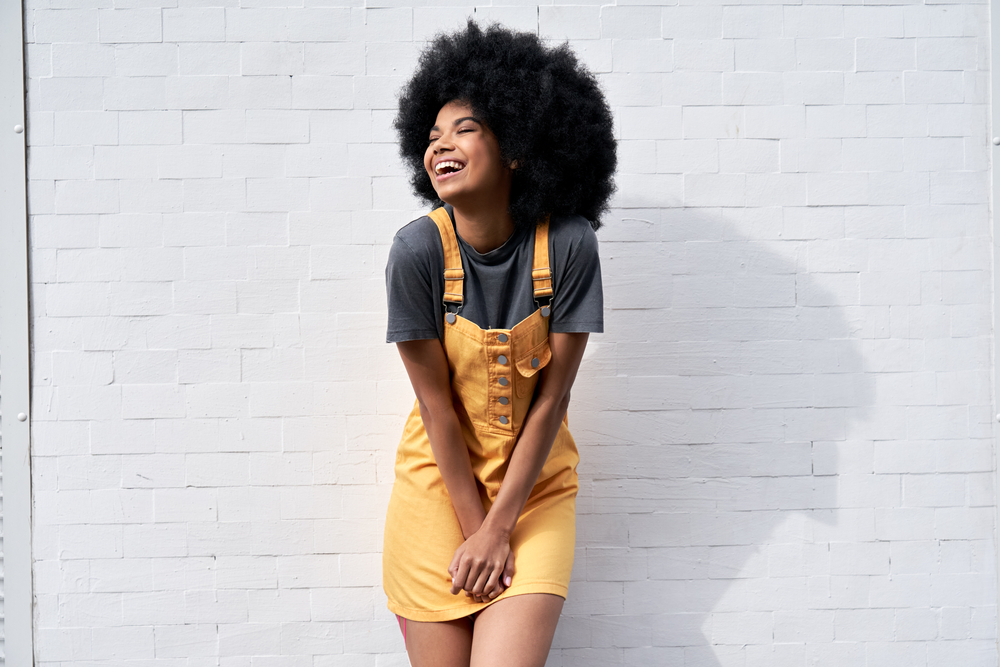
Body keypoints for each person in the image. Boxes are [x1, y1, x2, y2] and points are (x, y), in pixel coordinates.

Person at [381, 20, 616, 667]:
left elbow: (553, 399)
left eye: (465, 128)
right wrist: (473, 529)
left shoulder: (568, 245)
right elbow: (436, 409)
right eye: (432, 136)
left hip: (532, 495)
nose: (442, 145)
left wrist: (501, 527)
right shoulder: (417, 251)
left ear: (514, 146)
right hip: (438, 489)